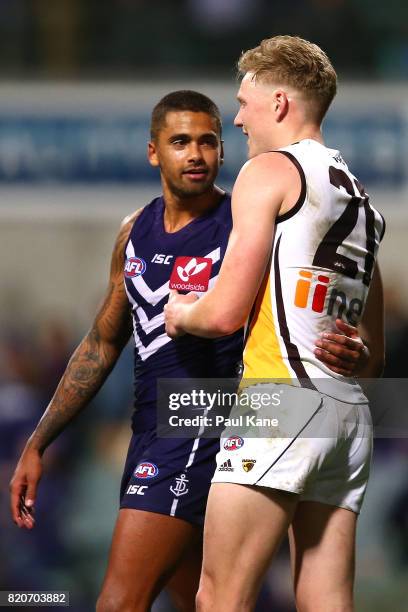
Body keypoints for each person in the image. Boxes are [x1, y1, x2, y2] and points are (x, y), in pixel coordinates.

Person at [10, 90, 368, 612]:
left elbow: (337, 264)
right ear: (154, 151)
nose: (195, 155)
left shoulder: (247, 220)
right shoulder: (133, 232)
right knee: (205, 599)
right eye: (180, 142)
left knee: (118, 602)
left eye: (207, 142)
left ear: (223, 151)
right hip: (149, 429)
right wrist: (39, 441)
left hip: (204, 422)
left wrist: (356, 342)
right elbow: (104, 341)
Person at [164, 37, 385, 612]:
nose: (236, 117)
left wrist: (180, 312)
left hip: (280, 399)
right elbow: (372, 353)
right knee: (326, 601)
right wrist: (351, 353)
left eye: (243, 102)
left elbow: (225, 312)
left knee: (219, 597)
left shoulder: (268, 171)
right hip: (348, 414)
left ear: (281, 103)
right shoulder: (360, 199)